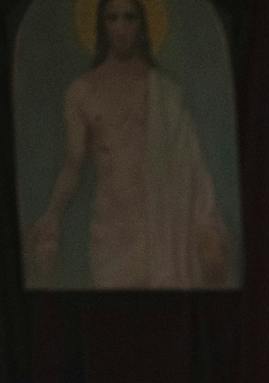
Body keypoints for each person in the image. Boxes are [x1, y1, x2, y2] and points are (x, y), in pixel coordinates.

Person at [23, 0, 236, 291]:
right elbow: (73, 164)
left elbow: (192, 167)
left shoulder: (166, 93)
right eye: (112, 18)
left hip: (159, 226)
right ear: (102, 25)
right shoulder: (83, 91)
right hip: (111, 228)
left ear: (142, 25)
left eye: (129, 18)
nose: (121, 28)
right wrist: (53, 214)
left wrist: (206, 228)